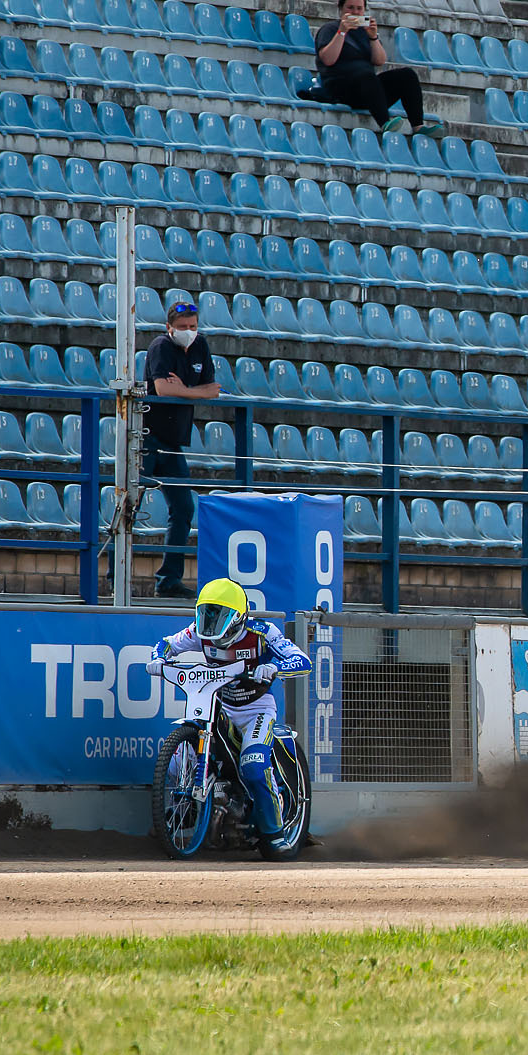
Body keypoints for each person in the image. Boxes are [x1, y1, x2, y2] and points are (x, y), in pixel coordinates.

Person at [154, 579, 314, 846]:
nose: (211, 622)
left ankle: (275, 834)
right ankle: (192, 811)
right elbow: (167, 644)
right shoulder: (197, 632)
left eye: (219, 615)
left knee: (253, 765)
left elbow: (301, 660)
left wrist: (274, 668)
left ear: (238, 617)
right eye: (207, 613)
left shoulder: (263, 632)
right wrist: (158, 659)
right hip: (220, 705)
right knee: (176, 763)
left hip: (256, 709)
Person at [141, 298, 219, 599]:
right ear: (169, 328)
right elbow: (161, 388)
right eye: (183, 327)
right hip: (147, 436)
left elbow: (213, 389)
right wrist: (193, 393)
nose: (189, 332)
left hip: (174, 440)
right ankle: (112, 575)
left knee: (184, 508)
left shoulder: (201, 346)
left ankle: (169, 580)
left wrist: (182, 390)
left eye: (193, 327)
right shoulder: (161, 346)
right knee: (130, 505)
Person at [312, 0, 446, 137]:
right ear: (341, 9)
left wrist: (373, 37)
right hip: (341, 88)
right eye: (350, 8)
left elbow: (379, 60)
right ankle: (384, 123)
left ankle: (418, 126)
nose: (355, 12)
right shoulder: (330, 29)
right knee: (365, 76)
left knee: (406, 75)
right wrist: (342, 32)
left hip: (367, 89)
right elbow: (328, 59)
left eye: (359, 8)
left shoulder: (365, 33)